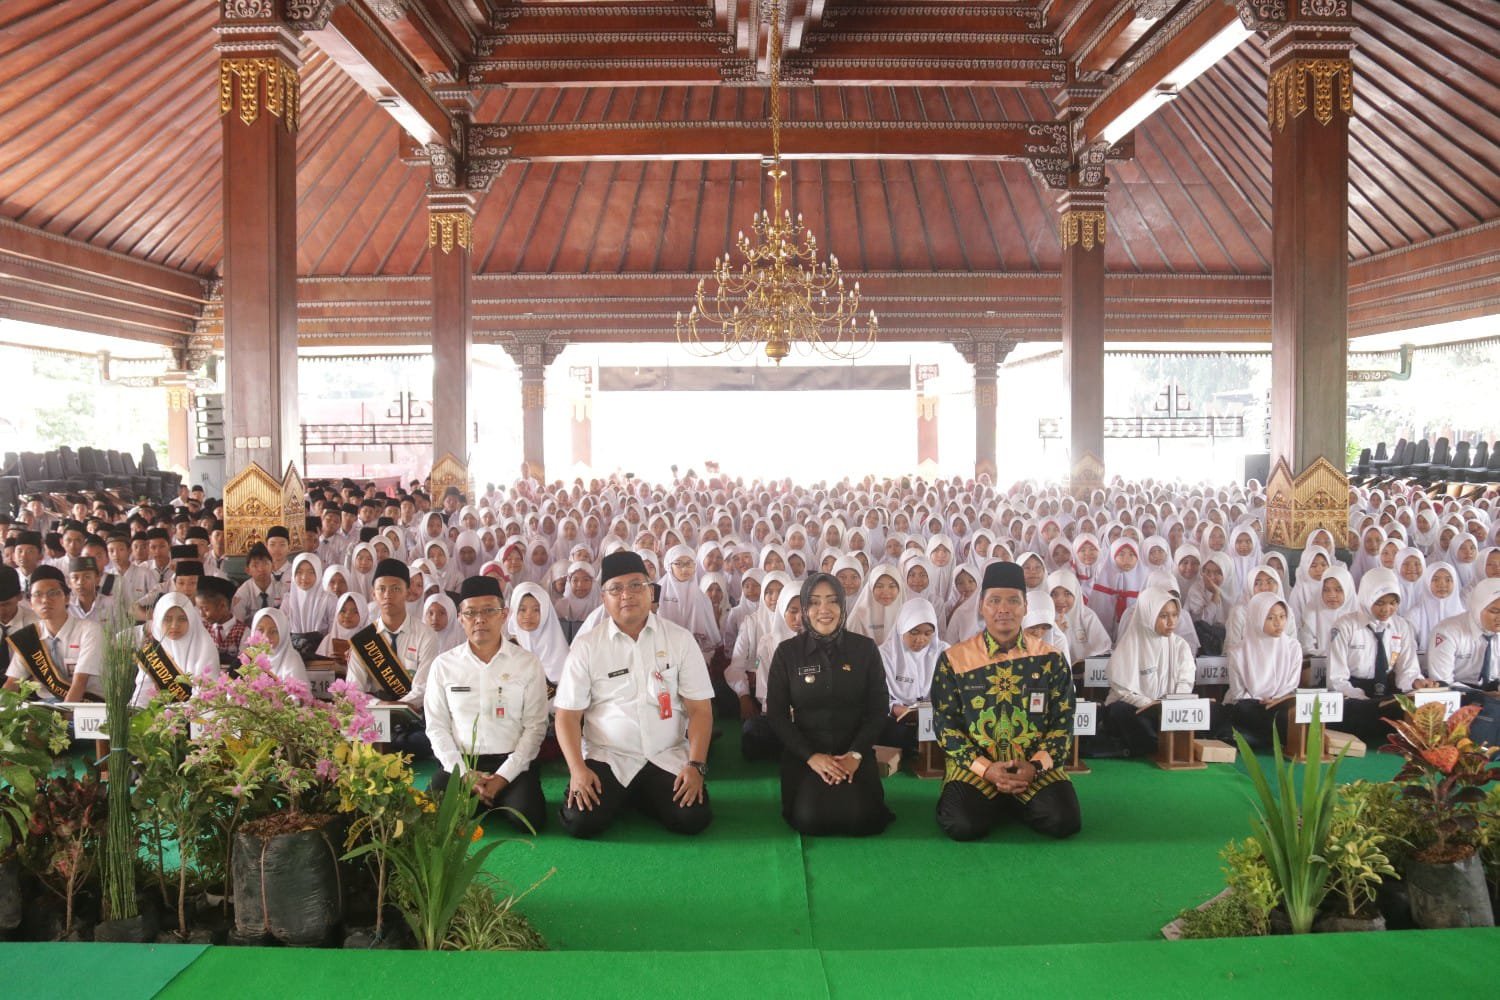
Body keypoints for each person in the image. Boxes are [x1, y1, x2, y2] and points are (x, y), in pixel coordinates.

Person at [554, 551, 714, 838]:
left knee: (692, 818)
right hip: (609, 757)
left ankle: (633, 797)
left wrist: (695, 766)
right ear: (604, 598)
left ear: (650, 591)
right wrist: (577, 770)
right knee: (581, 821)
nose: (626, 594)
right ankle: (634, 796)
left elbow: (700, 710)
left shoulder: (680, 639)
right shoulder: (587, 647)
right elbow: (567, 716)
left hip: (665, 755)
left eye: (636, 585)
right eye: (616, 588)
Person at [930, 562, 1080, 841]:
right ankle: (1008, 801)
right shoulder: (955, 659)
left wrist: (1035, 767)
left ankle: (1012, 798)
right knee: (963, 825)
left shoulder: (1051, 659)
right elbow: (945, 725)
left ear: (1025, 607)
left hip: (1033, 767)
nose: (1004, 609)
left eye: (1013, 601)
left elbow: (1063, 722)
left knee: (1063, 821)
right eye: (994, 600)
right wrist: (986, 769)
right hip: (976, 768)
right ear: (981, 606)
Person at [765, 574, 894, 836]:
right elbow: (777, 715)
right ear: (804, 609)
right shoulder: (787, 653)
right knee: (810, 819)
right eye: (814, 602)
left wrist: (855, 755)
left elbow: (878, 710)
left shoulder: (865, 649)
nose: (824, 609)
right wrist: (811, 757)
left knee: (860, 819)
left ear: (843, 606)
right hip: (806, 754)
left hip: (853, 752)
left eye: (832, 601)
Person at [425, 576, 549, 832]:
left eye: (489, 611)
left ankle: (488, 797)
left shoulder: (527, 663)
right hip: (462, 763)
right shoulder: (443, 665)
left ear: (504, 615)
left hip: (510, 763)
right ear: (460, 618)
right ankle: (481, 797)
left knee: (529, 820)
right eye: (471, 613)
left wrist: (503, 777)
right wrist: (463, 773)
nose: (479, 619)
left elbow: (536, 726)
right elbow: (436, 726)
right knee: (431, 816)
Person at [1326, 568, 1423, 745]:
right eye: (1379, 603)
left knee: (1409, 707)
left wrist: (1417, 682)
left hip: (1386, 694)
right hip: (1353, 695)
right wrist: (1364, 700)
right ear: (1367, 597)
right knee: (1356, 712)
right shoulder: (1344, 626)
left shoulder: (1402, 626)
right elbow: (1336, 680)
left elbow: (1407, 670)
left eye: (1393, 603)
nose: (1387, 609)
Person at [1102, 587, 1198, 759]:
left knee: (1211, 711)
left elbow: (1185, 682)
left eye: (1175, 615)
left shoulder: (1180, 646)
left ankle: (1151, 743)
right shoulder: (1130, 645)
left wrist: (1170, 707)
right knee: (1119, 711)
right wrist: (1152, 705)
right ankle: (1157, 743)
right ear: (1148, 615)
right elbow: (1123, 691)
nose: (1171, 622)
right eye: (1163, 616)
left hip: (1168, 712)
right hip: (1137, 710)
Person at [3, 566, 103, 702]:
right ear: (30, 602)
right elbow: (12, 683)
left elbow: (80, 683)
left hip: (87, 703)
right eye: (37, 594)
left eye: (53, 593)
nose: (45, 600)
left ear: (67, 598)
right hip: (45, 705)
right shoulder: (29, 636)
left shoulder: (90, 631)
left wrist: (62, 714)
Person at [1222, 592, 1304, 750]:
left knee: (1291, 714)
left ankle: (1255, 739)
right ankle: (1269, 739)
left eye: (1282, 616)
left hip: (1280, 703)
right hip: (1251, 705)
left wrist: (1277, 700)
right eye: (1270, 618)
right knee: (1243, 710)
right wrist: (1261, 701)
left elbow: (1292, 685)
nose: (1278, 623)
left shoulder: (1293, 648)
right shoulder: (1238, 652)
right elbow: (1238, 693)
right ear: (1256, 618)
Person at [1426, 578, 1500, 744]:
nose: (1499, 618)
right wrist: (1482, 695)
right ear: (1478, 607)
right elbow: (1442, 682)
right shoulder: (1448, 631)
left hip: (1492, 694)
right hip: (1458, 695)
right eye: (1494, 611)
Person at [876, 597, 946, 752]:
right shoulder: (884, 655)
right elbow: (877, 697)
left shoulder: (944, 653)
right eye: (914, 632)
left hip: (935, 718)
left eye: (928, 633)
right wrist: (898, 710)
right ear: (902, 628)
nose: (921, 639)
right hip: (897, 720)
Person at [132, 592, 220, 707]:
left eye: (182, 619)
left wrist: (169, 713)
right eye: (167, 619)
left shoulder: (205, 650)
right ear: (158, 620)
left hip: (198, 715)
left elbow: (204, 699)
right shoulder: (152, 652)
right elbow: (142, 695)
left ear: (191, 619)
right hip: (163, 716)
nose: (174, 625)